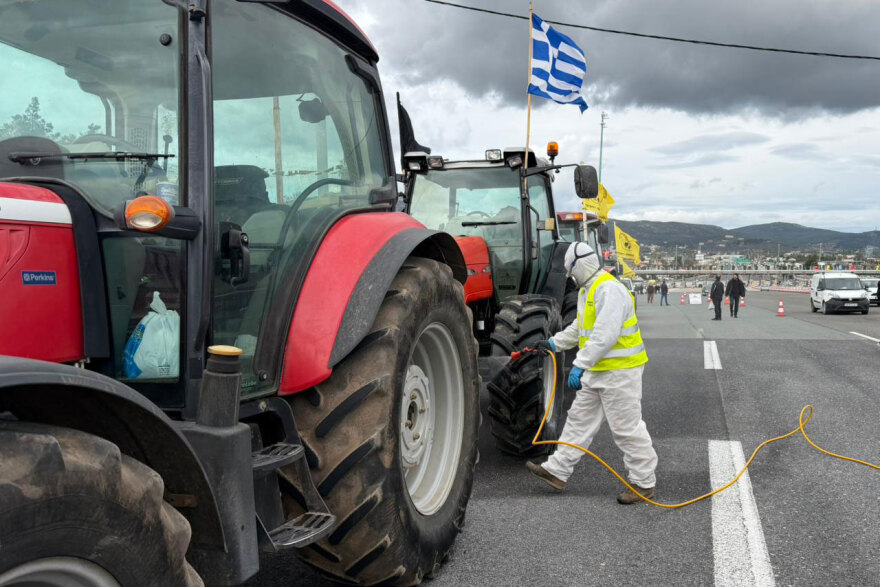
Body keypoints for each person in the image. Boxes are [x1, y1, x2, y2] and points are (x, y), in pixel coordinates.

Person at [528, 242, 657, 504]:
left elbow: (605, 334)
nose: (571, 277)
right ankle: (557, 471)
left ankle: (644, 483)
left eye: (571, 271)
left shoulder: (609, 289)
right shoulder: (589, 290)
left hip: (621, 371)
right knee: (578, 421)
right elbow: (580, 328)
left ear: (580, 265)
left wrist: (580, 364)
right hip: (598, 370)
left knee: (626, 428)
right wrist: (554, 343)